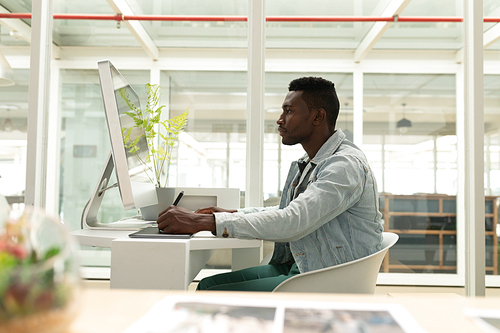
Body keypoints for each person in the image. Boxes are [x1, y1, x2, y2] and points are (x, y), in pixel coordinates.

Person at [157, 77, 384, 291]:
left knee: (212, 293)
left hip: (325, 276)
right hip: (304, 265)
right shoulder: (311, 162)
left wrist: (205, 221)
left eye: (289, 111)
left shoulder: (344, 166)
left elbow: (293, 221)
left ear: (317, 117)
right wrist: (234, 213)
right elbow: (289, 211)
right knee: (207, 286)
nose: (280, 119)